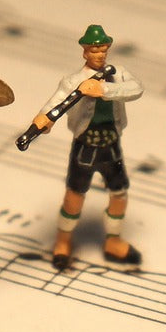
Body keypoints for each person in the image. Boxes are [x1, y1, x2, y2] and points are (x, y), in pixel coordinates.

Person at [29, 24, 144, 270]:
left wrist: (104, 89)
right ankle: (62, 242)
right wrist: (42, 119)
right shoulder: (74, 80)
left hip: (111, 143)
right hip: (85, 144)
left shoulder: (117, 73)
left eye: (103, 49)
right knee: (74, 195)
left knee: (120, 193)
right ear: (84, 52)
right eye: (94, 50)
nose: (100, 54)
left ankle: (113, 240)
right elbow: (57, 101)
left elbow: (136, 90)